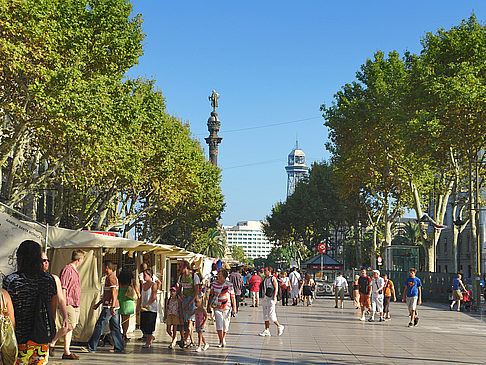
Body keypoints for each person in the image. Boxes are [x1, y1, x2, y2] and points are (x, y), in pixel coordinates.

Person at [3, 240, 66, 365]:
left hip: (19, 340)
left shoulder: (11, 281)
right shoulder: (49, 280)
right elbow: (52, 310)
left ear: (20, 258)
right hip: (41, 338)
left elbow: (10, 318)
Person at [82, 260, 124, 353]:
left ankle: (91, 347)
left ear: (107, 267)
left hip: (109, 307)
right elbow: (108, 294)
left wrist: (112, 307)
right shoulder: (110, 277)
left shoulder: (111, 278)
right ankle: (119, 347)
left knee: (99, 326)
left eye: (103, 266)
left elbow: (114, 293)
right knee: (115, 327)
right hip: (112, 306)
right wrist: (99, 303)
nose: (102, 268)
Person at [51, 250, 84, 360]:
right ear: (79, 259)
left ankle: (66, 351)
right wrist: (62, 304)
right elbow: (63, 287)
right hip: (68, 302)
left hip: (75, 302)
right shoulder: (67, 269)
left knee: (70, 327)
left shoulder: (76, 270)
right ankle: (52, 342)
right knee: (70, 325)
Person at [42, 253, 68, 359]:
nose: (46, 262)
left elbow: (61, 298)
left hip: (48, 320)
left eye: (47, 260)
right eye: (43, 260)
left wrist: (65, 316)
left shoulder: (53, 279)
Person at [207, 268, 236, 348]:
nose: (218, 277)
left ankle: (223, 338)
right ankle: (221, 340)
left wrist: (235, 308)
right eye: (218, 275)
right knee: (219, 324)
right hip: (217, 307)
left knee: (225, 325)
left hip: (227, 307)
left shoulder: (229, 284)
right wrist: (208, 306)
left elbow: (232, 297)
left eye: (220, 275)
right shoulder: (213, 284)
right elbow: (210, 295)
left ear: (224, 276)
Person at [177, 260, 201, 348]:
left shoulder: (194, 276)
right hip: (185, 300)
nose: (179, 269)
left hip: (192, 300)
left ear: (185, 267)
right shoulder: (181, 277)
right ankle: (189, 340)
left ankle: (186, 340)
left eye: (181, 267)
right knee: (186, 321)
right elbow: (178, 289)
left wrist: (191, 302)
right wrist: (181, 295)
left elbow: (196, 291)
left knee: (190, 321)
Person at [259, 267, 284, 337]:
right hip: (266, 298)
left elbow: (276, 287)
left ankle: (279, 326)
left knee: (271, 315)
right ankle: (267, 330)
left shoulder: (273, 278)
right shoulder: (265, 279)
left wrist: (274, 297)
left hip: (271, 298)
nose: (264, 272)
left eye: (265, 271)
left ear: (269, 271)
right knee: (265, 315)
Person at [117, 267, 140, 343]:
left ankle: (119, 333)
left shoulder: (119, 280)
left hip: (120, 298)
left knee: (120, 317)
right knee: (126, 319)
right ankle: (124, 334)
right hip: (128, 299)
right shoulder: (131, 280)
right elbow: (136, 290)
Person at [139, 269, 157, 348]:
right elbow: (141, 296)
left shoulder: (154, 285)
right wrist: (139, 305)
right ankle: (150, 338)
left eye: (145, 275)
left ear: (150, 276)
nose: (143, 277)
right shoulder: (143, 285)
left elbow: (153, 297)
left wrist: (147, 305)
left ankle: (148, 342)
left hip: (151, 309)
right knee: (143, 326)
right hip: (143, 308)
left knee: (150, 327)